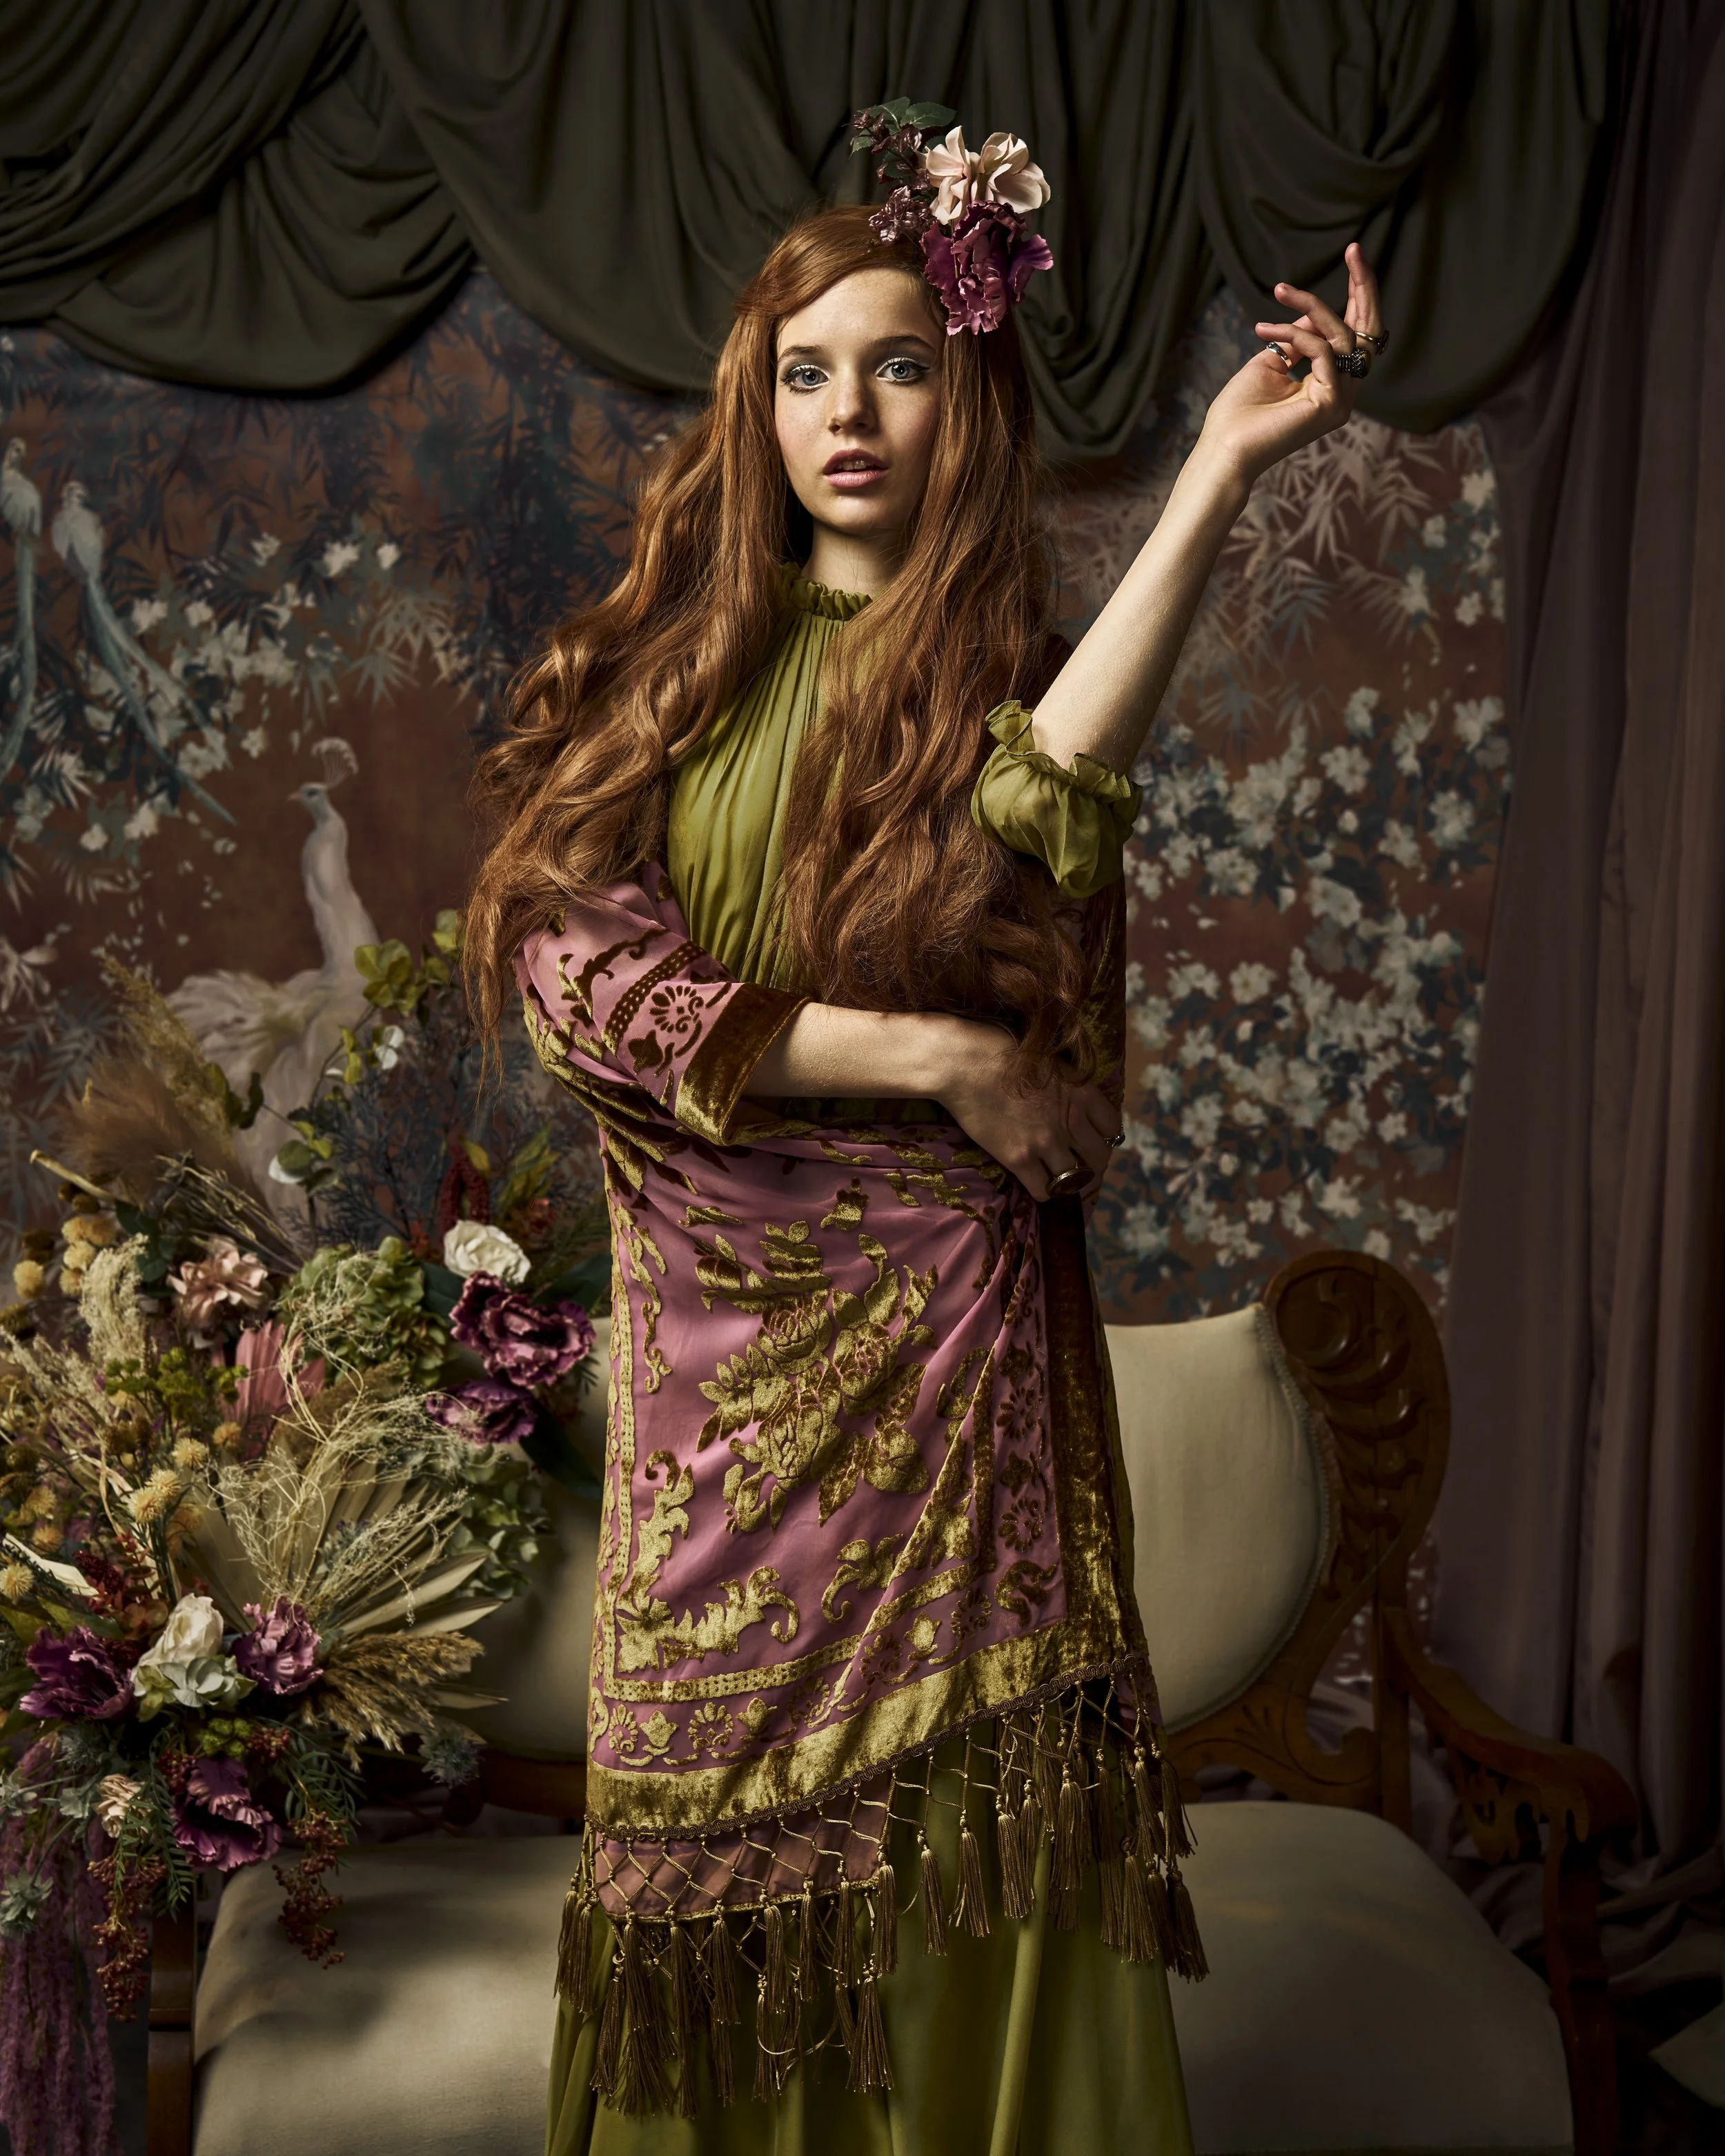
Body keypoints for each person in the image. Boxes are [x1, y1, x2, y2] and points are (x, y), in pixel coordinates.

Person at [466, 106, 1383, 2156]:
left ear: (958, 392)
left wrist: (1224, 465)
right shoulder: (664, 681)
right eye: (804, 369)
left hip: (955, 1391)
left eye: (893, 361)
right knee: (717, 1927)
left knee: (969, 1882)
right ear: (754, 403)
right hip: (726, 1410)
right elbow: (575, 982)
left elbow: (1035, 820)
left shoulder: (993, 677)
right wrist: (937, 1065)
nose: (846, 410)